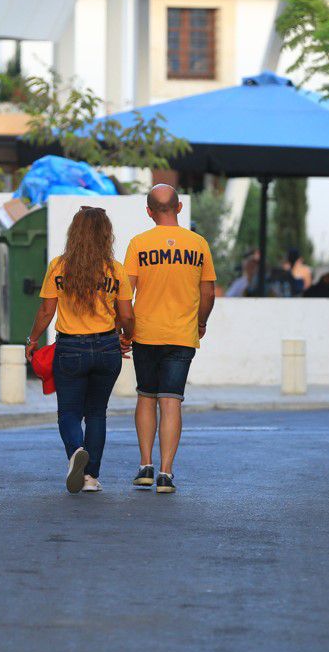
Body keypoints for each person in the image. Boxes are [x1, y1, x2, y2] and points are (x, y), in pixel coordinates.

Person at [26, 207, 134, 494]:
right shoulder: (116, 269)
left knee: (69, 413)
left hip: (70, 348)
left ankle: (76, 450)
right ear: (106, 234)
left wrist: (32, 339)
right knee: (97, 413)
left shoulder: (59, 266)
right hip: (108, 347)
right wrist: (126, 337)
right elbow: (127, 315)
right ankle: (91, 478)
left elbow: (47, 309)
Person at [124, 184, 216, 494]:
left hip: (145, 333)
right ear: (179, 208)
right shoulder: (198, 244)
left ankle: (145, 466)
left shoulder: (138, 244)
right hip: (181, 334)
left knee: (146, 397)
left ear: (148, 211)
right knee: (171, 400)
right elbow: (208, 292)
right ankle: (166, 473)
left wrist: (123, 328)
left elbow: (126, 293)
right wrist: (200, 322)